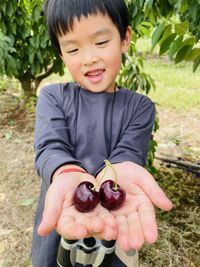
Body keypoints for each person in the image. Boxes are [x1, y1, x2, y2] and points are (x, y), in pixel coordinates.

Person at [31, 0, 173, 266]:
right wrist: (67, 172)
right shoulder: (53, 97)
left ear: (124, 39)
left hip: (115, 224)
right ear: (61, 54)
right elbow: (50, 147)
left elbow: (129, 153)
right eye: (73, 48)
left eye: (100, 42)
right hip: (64, 215)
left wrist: (117, 171)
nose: (89, 58)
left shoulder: (139, 107)